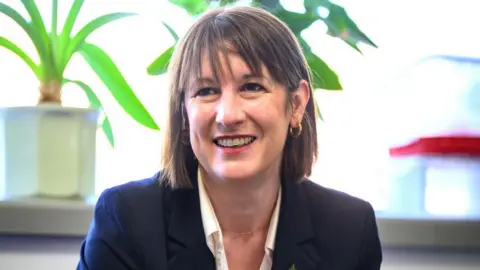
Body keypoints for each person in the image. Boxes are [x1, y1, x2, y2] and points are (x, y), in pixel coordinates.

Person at [77, 5, 382, 270]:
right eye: (206, 91)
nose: (228, 115)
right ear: (184, 115)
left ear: (297, 104)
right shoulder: (127, 221)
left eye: (252, 87)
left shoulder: (349, 230)